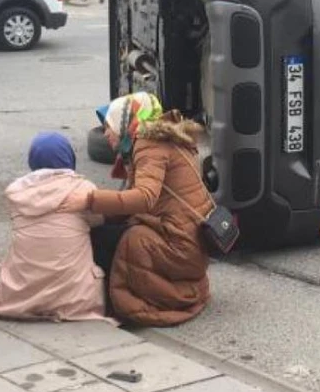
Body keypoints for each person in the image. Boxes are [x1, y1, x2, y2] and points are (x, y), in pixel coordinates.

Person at [60, 92, 212, 327]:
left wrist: (89, 200)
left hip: (180, 246)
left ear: (125, 123)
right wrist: (101, 214)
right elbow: (134, 202)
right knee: (111, 227)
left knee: (118, 238)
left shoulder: (148, 144)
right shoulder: (167, 138)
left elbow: (144, 198)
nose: (106, 134)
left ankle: (110, 302)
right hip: (194, 242)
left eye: (108, 127)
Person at [0, 132, 115, 322]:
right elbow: (99, 221)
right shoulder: (83, 188)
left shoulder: (17, 192)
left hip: (21, 292)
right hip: (75, 297)